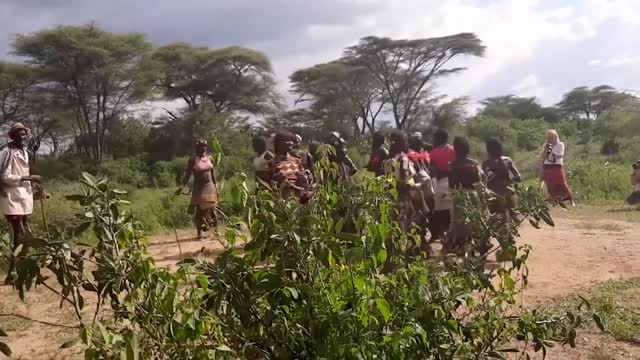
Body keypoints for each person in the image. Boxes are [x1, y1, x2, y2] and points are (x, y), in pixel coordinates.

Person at [1, 123, 43, 284]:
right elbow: (5, 176)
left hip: (24, 195)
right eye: (19, 134)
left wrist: (35, 187)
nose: (22, 136)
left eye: (24, 134)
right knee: (18, 234)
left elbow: (23, 173)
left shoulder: (25, 151)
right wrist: (28, 178)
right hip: (10, 197)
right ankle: (12, 272)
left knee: (25, 233)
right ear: (12, 136)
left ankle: (23, 271)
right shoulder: (6, 152)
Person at [447, 136, 483, 255]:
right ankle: (476, 247)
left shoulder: (452, 165)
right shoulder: (474, 164)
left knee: (458, 223)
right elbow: (479, 182)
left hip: (459, 196)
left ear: (455, 149)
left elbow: (451, 186)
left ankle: (457, 247)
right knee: (474, 223)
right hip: (473, 195)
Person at [176, 139, 218, 240]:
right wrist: (181, 188)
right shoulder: (193, 160)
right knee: (199, 211)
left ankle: (216, 232)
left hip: (210, 186)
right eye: (201, 147)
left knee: (213, 209)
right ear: (196, 149)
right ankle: (199, 234)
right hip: (199, 188)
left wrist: (216, 187)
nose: (203, 148)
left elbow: (213, 174)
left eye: (204, 147)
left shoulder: (210, 158)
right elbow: (187, 175)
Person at [482, 138, 522, 223]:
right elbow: (518, 176)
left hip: (493, 193)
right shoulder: (507, 160)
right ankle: (512, 218)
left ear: (488, 150)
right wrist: (510, 181)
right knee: (512, 216)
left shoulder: (486, 163)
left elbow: (484, 181)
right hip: (507, 190)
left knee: (497, 219)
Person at [428, 129, 456, 241]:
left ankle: (437, 234)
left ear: (438, 139)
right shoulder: (454, 149)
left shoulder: (433, 153)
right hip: (455, 183)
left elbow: (433, 171)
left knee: (437, 210)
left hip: (440, 183)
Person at [271, 131, 312, 203]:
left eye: (291, 140)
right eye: (287, 140)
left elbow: (305, 181)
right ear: (278, 143)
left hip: (299, 200)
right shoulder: (272, 163)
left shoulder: (297, 160)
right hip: (282, 202)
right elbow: (269, 183)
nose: (291, 143)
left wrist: (306, 175)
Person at [540, 130, 575, 206]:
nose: (551, 138)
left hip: (557, 166)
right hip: (547, 166)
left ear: (556, 136)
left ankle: (571, 200)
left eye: (552, 137)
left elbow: (560, 155)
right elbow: (543, 157)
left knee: (562, 183)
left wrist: (552, 150)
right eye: (549, 137)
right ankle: (555, 201)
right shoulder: (546, 145)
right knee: (550, 185)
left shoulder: (560, 144)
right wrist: (546, 149)